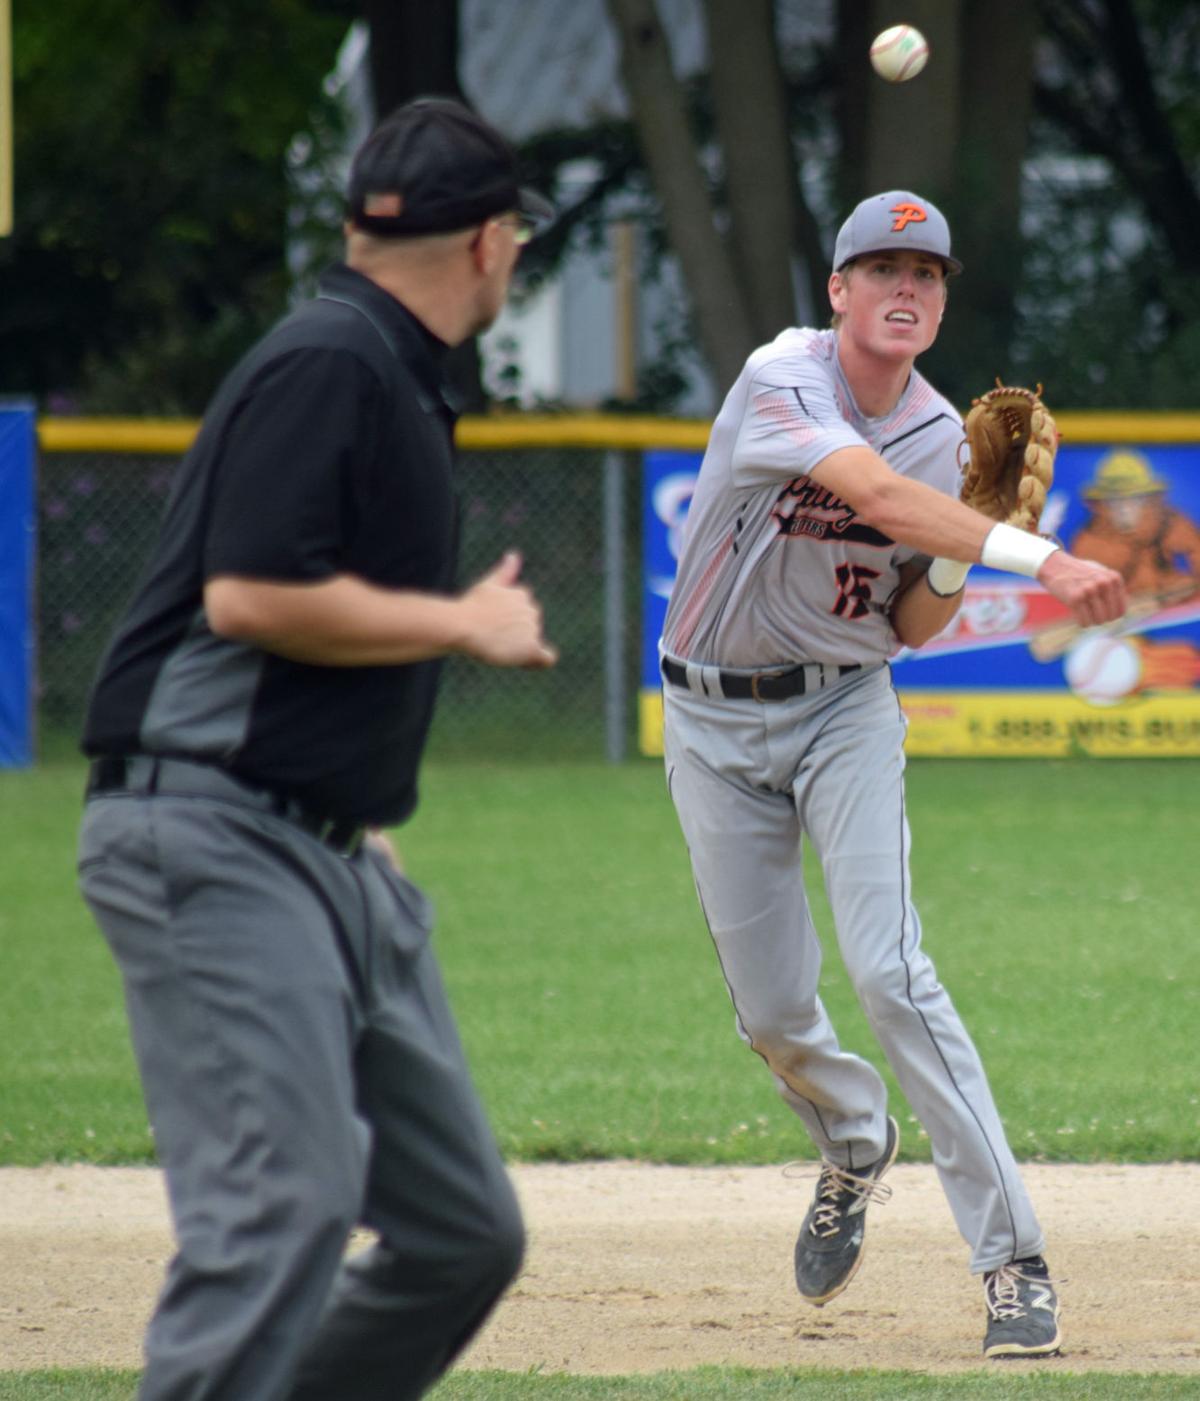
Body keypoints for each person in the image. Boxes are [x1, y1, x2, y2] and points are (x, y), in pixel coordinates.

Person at [77, 97, 557, 1401]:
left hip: (326, 849)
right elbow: (249, 597)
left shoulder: (389, 369)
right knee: (284, 1201)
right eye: (514, 236)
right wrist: (464, 622)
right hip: (211, 831)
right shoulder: (331, 360)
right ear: (489, 246)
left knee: (462, 1231)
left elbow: (309, 657)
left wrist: (367, 829)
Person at [658, 190, 1127, 1359]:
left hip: (843, 714)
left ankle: (1013, 1262)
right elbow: (867, 494)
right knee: (770, 1012)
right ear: (838, 290)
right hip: (710, 723)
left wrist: (966, 552)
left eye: (926, 273)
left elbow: (912, 625)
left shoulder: (938, 438)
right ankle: (853, 1138)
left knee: (893, 973)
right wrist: (1037, 554)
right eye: (882, 269)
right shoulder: (784, 376)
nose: (906, 289)